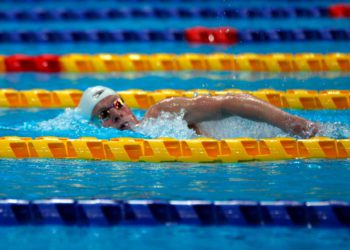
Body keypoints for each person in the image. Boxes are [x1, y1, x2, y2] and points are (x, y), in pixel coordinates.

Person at [77, 86, 319, 138]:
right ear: (96, 126)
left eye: (117, 105)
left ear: (126, 104)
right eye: (104, 115)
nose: (116, 114)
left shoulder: (160, 115)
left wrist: (291, 123)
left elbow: (229, 103)